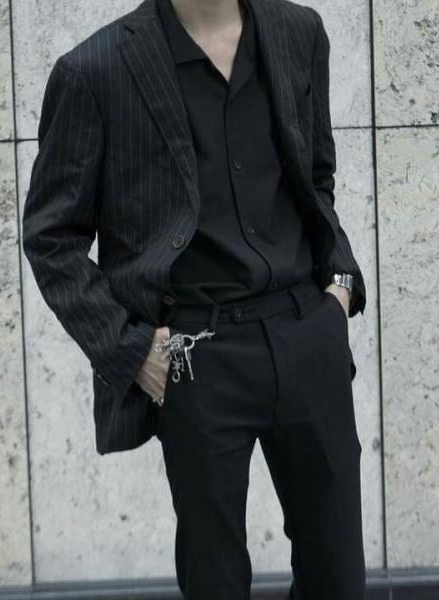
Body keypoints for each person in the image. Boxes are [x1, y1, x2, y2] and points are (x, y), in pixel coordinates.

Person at [22, 0, 367, 597]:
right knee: (215, 581)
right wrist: (131, 350)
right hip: (195, 357)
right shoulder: (95, 69)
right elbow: (51, 237)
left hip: (307, 334)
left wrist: (338, 287)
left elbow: (315, 175)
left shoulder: (298, 31)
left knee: (338, 576)